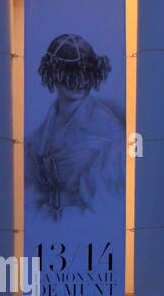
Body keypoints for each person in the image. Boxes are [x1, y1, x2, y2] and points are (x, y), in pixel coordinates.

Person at [25, 34, 125, 222]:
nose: (79, 82)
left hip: (87, 229)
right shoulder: (39, 135)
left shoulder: (108, 130)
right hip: (44, 230)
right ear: (54, 74)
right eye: (70, 74)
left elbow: (107, 206)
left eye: (85, 73)